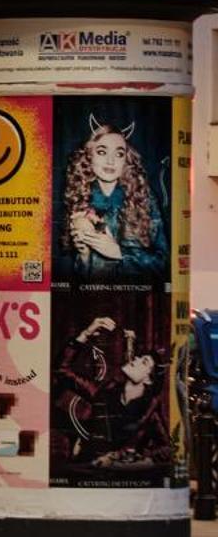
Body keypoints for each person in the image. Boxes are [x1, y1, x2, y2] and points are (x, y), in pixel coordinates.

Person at [53, 315, 172, 471]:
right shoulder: (103, 392)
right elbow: (61, 370)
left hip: (122, 478)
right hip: (86, 469)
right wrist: (86, 334)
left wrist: (126, 457)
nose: (135, 359)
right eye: (139, 357)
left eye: (144, 362)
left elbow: (167, 449)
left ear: (149, 380)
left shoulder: (150, 409)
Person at [59, 116, 165, 279]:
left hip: (136, 299)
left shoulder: (144, 198)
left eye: (119, 154)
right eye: (102, 152)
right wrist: (84, 256)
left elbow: (164, 263)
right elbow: (73, 277)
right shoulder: (79, 198)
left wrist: (119, 253)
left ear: (126, 160)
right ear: (89, 156)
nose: (110, 161)